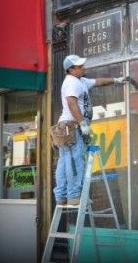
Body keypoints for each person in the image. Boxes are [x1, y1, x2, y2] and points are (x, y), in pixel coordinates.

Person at [53, 54, 127, 206]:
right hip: (72, 126)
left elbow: (98, 82)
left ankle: (61, 196)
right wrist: (82, 124)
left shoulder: (80, 81)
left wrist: (117, 80)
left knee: (65, 161)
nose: (83, 68)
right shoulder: (72, 83)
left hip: (66, 126)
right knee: (75, 160)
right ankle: (74, 197)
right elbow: (72, 103)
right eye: (80, 66)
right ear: (71, 70)